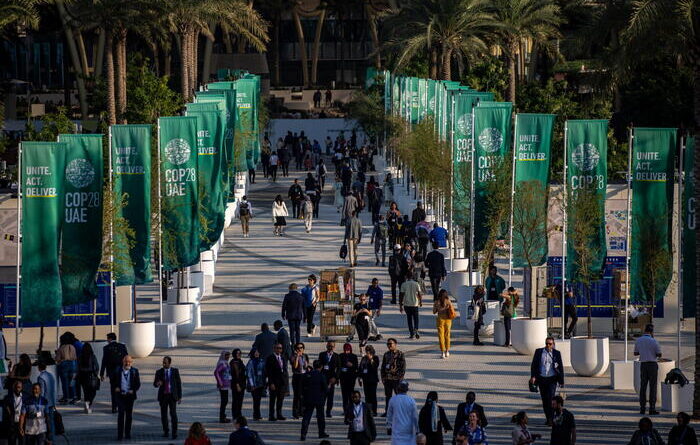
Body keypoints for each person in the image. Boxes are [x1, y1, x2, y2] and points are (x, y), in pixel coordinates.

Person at [529, 337, 564, 425]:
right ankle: (548, 418)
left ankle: (551, 419)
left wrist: (561, 380)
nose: (548, 345)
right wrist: (533, 376)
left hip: (552, 379)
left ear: (553, 344)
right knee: (544, 400)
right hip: (542, 378)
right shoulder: (539, 352)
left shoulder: (556, 353)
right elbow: (534, 365)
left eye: (550, 344)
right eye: (547, 343)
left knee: (550, 399)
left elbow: (560, 367)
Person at [635, 324, 662, 415]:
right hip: (652, 365)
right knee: (653, 387)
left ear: (645, 330)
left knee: (643, 387)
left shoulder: (638, 340)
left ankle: (642, 408)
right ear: (652, 332)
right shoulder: (654, 341)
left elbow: (636, 353)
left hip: (643, 365)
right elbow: (659, 354)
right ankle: (652, 408)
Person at [300, 360, 329, 441]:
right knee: (320, 417)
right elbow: (325, 389)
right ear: (321, 367)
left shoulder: (306, 375)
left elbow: (302, 387)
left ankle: (303, 434)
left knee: (306, 417)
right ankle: (321, 433)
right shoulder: (321, 375)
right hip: (319, 399)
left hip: (308, 399)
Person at [154, 356, 181, 439]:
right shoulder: (159, 372)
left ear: (169, 363)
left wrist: (179, 397)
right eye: (163, 362)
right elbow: (154, 384)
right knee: (164, 415)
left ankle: (174, 432)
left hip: (172, 396)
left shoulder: (175, 371)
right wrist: (157, 383)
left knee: (173, 414)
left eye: (165, 362)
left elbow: (178, 384)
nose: (164, 364)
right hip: (163, 396)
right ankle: (166, 431)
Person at [114, 355, 140, 440]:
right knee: (121, 414)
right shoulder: (117, 370)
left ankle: (127, 433)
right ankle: (120, 434)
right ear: (123, 362)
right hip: (120, 396)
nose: (127, 363)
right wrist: (116, 387)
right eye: (126, 361)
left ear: (131, 363)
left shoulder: (134, 371)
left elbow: (138, 384)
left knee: (129, 416)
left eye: (129, 362)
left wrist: (133, 390)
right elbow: (112, 380)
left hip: (130, 396)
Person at [100, 334, 127, 411]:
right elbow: (127, 357)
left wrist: (102, 374)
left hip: (111, 372)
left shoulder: (106, 348)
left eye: (107, 339)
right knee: (121, 388)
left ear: (110, 339)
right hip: (121, 371)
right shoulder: (122, 346)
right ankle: (121, 405)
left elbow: (104, 361)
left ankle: (114, 407)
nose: (107, 340)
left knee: (113, 389)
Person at [386, 380, 418, 445]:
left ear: (398, 389)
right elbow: (415, 417)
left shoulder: (393, 400)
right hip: (409, 430)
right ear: (406, 390)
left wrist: (388, 426)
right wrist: (417, 430)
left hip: (397, 430)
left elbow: (389, 415)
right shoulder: (411, 400)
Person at [381, 338, 406, 414]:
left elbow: (403, 367)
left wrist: (400, 378)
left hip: (396, 380)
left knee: (399, 397)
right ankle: (387, 412)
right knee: (388, 397)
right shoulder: (386, 354)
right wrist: (383, 378)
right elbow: (383, 366)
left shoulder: (400, 354)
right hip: (388, 379)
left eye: (390, 344)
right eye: (387, 344)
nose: (389, 346)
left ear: (395, 344)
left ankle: (399, 411)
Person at [265, 343, 289, 421]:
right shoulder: (270, 358)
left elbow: (285, 370)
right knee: (272, 400)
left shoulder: (283, 357)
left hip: (282, 382)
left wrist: (286, 383)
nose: (279, 350)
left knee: (280, 399)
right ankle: (271, 415)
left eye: (280, 348)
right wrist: (271, 383)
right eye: (277, 348)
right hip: (274, 382)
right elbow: (269, 372)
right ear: (274, 349)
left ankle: (279, 414)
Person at [318, 340, 340, 417]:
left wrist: (336, 378)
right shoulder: (322, 355)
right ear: (326, 346)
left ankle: (328, 412)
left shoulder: (337, 356)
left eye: (332, 346)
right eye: (329, 346)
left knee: (330, 397)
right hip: (323, 378)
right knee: (322, 397)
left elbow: (339, 368)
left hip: (332, 379)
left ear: (334, 347)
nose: (330, 348)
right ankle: (320, 412)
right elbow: (319, 366)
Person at [36, 362, 56, 442]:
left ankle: (46, 440)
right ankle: (52, 440)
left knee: (43, 422)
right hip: (51, 401)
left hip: (44, 404)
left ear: (39, 367)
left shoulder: (41, 377)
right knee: (51, 422)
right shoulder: (51, 375)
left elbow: (42, 391)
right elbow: (53, 390)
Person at [55, 335, 78, 404]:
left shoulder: (61, 347)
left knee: (65, 383)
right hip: (73, 364)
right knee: (72, 382)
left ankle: (66, 397)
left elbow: (57, 359)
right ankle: (74, 396)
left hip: (64, 365)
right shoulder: (73, 347)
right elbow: (75, 357)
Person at [77, 342, 99, 413]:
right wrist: (96, 374)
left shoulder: (80, 356)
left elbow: (78, 367)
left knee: (85, 391)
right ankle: (89, 403)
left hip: (82, 376)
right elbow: (97, 366)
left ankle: (87, 403)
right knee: (93, 391)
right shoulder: (92, 356)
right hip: (91, 375)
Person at [400, 273, 423, 339]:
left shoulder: (404, 284)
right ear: (412, 276)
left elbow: (401, 295)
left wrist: (400, 305)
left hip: (407, 304)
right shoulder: (416, 284)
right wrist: (420, 302)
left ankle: (411, 333)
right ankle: (416, 329)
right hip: (415, 304)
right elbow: (419, 294)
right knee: (416, 318)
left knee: (409, 319)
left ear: (406, 276)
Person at [358, 345, 379, 417]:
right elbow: (360, 368)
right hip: (365, 380)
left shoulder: (375, 358)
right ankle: (368, 411)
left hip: (373, 380)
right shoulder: (364, 358)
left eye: (369, 350)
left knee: (373, 396)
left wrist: (371, 359)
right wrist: (359, 378)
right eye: (366, 350)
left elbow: (375, 366)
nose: (367, 352)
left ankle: (374, 411)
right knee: (367, 396)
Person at [433, 289, 454, 358]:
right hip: (448, 320)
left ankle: (442, 352)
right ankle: (447, 351)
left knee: (441, 336)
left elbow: (434, 311)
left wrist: (438, 308)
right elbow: (452, 310)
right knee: (447, 335)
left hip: (440, 320)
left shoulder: (437, 302)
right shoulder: (448, 301)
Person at [246, 348, 266, 421]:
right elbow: (249, 374)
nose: (257, 353)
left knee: (258, 400)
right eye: (255, 352)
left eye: (258, 352)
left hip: (260, 383)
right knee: (256, 400)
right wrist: (251, 384)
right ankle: (256, 415)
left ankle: (258, 414)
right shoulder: (251, 362)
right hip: (254, 384)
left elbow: (264, 372)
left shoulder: (261, 361)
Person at [291, 342, 310, 419]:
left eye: (301, 348)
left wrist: (307, 367)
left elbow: (306, 366)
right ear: (295, 349)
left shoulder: (305, 356)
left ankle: (302, 411)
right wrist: (297, 357)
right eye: (298, 348)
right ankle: (295, 412)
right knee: (297, 395)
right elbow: (295, 366)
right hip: (297, 376)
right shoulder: (293, 356)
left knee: (303, 395)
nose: (300, 349)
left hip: (304, 375)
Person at [339, 343, 359, 413]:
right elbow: (338, 366)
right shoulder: (341, 356)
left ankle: (351, 409)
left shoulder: (354, 356)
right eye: (345, 350)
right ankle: (345, 410)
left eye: (348, 350)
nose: (347, 351)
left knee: (351, 395)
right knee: (344, 395)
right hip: (343, 378)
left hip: (351, 378)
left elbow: (356, 367)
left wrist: (352, 365)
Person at [3, 380, 24, 445]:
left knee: (22, 441)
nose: (18, 389)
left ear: (22, 388)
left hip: (22, 422)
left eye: (19, 387)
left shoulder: (25, 397)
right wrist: (9, 413)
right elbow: (5, 406)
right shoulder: (8, 397)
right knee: (12, 441)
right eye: (17, 387)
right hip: (12, 423)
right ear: (14, 387)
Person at [214, 351, 232, 423]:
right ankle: (222, 417)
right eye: (226, 355)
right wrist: (220, 382)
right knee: (224, 401)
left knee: (225, 401)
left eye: (228, 355)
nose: (227, 357)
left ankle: (223, 416)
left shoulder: (226, 363)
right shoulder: (222, 364)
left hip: (226, 384)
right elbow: (216, 372)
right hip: (223, 385)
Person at [230, 349, 247, 420]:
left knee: (240, 400)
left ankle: (239, 414)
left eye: (240, 353)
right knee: (236, 400)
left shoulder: (240, 361)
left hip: (242, 384)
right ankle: (235, 414)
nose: (239, 354)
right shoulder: (233, 362)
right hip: (236, 385)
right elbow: (234, 374)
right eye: (237, 353)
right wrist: (237, 385)